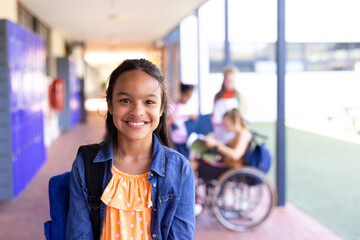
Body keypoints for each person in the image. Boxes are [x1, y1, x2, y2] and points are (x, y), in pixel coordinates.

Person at [66, 59, 195, 240]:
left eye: (149, 101)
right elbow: (78, 235)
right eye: (125, 100)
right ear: (110, 104)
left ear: (161, 108)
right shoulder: (86, 164)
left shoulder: (179, 169)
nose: (137, 111)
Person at [212, 65, 246, 143]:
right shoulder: (217, 97)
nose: (230, 83)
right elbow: (214, 115)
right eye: (228, 80)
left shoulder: (239, 97)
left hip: (233, 135)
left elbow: (242, 115)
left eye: (232, 80)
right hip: (220, 132)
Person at [168, 83, 197, 159]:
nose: (188, 98)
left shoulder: (191, 106)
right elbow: (168, 121)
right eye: (187, 95)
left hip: (187, 140)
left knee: (187, 160)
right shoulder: (173, 106)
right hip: (175, 140)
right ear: (181, 93)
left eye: (190, 96)